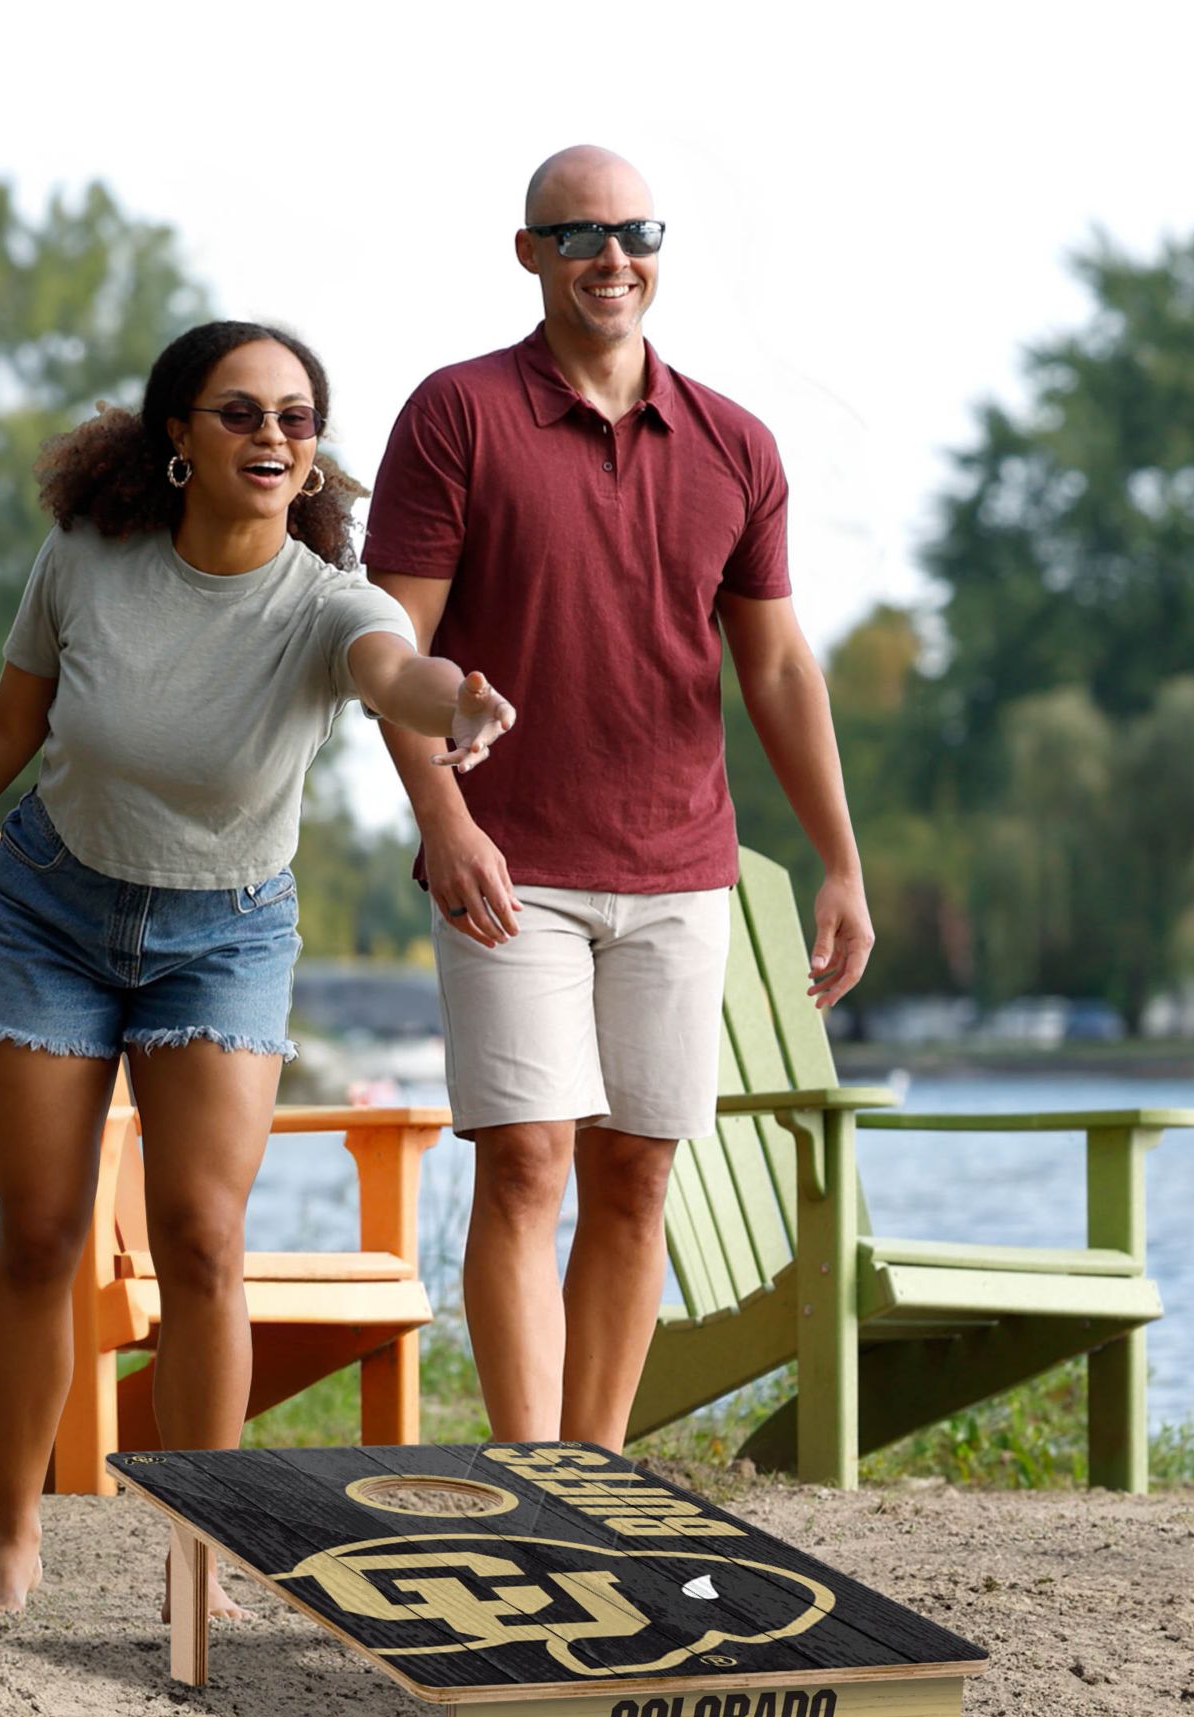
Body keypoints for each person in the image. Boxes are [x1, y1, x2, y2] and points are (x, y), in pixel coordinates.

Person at [0, 320, 515, 1617]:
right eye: (241, 413)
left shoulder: (328, 602)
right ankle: (15, 1539)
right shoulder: (88, 561)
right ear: (179, 440)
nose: (271, 438)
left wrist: (455, 707)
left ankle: (203, 1553)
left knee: (203, 1240)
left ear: (313, 459)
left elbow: (394, 675)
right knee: (40, 1234)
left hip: (226, 935)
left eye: (296, 420)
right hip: (50, 916)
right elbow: (5, 727)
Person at [362, 145, 872, 1452]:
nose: (610, 256)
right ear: (528, 254)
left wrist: (839, 863)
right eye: (578, 235)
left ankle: (595, 1474)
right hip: (509, 863)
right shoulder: (455, 415)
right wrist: (445, 821)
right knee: (527, 1162)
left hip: (680, 868)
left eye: (633, 231)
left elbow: (775, 665)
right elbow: (386, 653)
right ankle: (533, 1475)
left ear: (659, 248)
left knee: (636, 1174)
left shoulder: (735, 444)